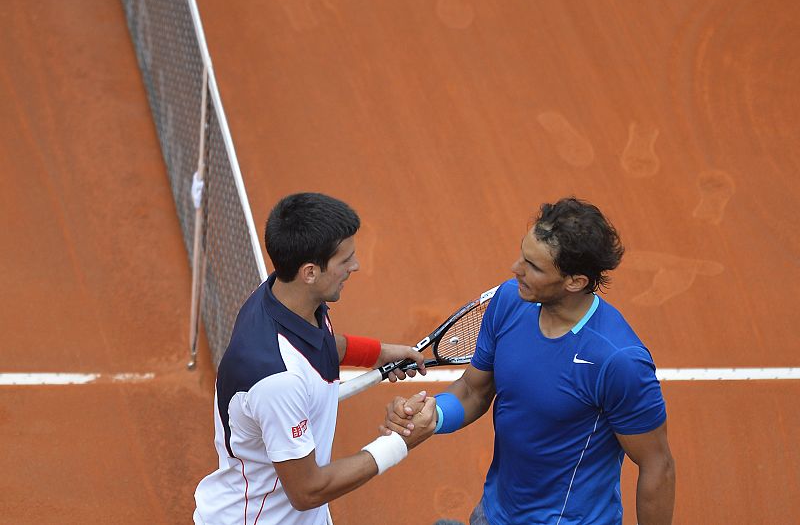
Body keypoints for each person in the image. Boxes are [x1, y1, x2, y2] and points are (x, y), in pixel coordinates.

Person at [383, 197, 676, 524]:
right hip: (494, 513)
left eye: (534, 267)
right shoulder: (510, 300)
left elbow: (657, 465)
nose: (515, 268)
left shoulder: (618, 361)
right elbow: (474, 390)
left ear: (575, 281)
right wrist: (433, 414)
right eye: (523, 254)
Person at [194, 192, 436, 525]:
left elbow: (320, 343)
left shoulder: (282, 298)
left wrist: (379, 353)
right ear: (310, 272)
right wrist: (401, 443)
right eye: (345, 260)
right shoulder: (277, 380)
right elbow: (307, 490)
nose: (356, 266)